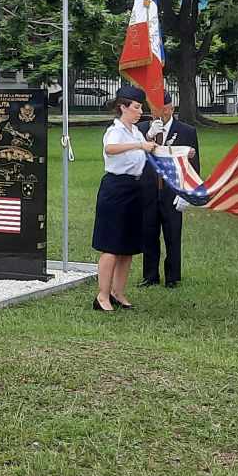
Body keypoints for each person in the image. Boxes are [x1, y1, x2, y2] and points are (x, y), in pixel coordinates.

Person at [94, 86, 154, 313]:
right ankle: (102, 295)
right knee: (111, 245)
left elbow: (146, 152)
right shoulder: (116, 130)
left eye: (141, 107)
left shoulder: (136, 131)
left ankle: (118, 292)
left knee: (128, 246)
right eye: (137, 107)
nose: (140, 111)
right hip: (116, 188)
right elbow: (110, 149)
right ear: (123, 107)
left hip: (134, 188)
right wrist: (139, 145)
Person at [138, 112, 198, 288]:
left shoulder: (186, 131)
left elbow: (194, 165)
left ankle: (172, 276)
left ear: (171, 107)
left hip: (172, 191)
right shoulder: (141, 129)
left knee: (172, 234)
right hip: (148, 188)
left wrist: (187, 192)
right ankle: (150, 275)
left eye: (164, 107)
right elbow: (133, 152)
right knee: (148, 233)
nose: (160, 112)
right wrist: (147, 136)